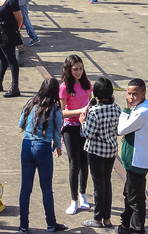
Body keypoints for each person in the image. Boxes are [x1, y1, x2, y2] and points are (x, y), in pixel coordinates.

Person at [15, 77, 67, 233]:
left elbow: (20, 124)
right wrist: (57, 147)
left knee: (26, 188)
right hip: (43, 148)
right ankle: (51, 224)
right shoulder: (55, 109)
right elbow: (58, 132)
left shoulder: (31, 103)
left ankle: (23, 226)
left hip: (26, 145)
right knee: (46, 189)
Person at [118, 78, 148, 234]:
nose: (131, 97)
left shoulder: (141, 112)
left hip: (136, 160)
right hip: (140, 159)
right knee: (129, 193)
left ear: (143, 93)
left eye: (134, 94)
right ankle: (126, 224)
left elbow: (121, 129)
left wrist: (126, 111)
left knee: (135, 199)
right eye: (128, 94)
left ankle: (137, 229)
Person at [81, 77, 120, 230]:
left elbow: (88, 134)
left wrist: (83, 122)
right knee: (107, 183)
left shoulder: (94, 111)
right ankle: (107, 218)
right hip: (110, 151)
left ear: (96, 93)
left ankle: (97, 219)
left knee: (98, 185)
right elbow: (118, 130)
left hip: (96, 152)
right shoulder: (116, 108)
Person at [60, 55, 93, 216]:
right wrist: (80, 111)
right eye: (75, 69)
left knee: (84, 162)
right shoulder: (64, 87)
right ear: (68, 69)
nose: (79, 72)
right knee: (74, 163)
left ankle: (82, 194)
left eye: (81, 68)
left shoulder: (87, 84)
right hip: (70, 127)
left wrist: (87, 113)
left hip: (85, 127)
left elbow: (91, 102)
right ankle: (74, 200)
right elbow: (62, 112)